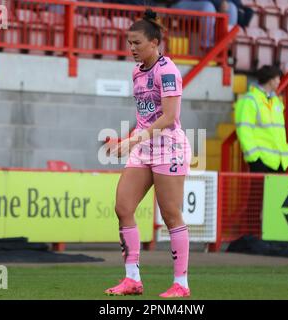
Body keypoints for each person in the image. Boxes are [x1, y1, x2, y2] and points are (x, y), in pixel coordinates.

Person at [103, 8, 192, 298]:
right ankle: (132, 279)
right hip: (144, 147)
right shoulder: (135, 72)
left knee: (170, 215)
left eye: (137, 43)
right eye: (129, 43)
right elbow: (145, 115)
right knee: (123, 207)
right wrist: (129, 141)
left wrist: (132, 140)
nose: (132, 48)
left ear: (154, 43)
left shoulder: (168, 71)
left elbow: (168, 117)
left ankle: (181, 283)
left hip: (169, 147)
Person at [235, 65, 288, 173]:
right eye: (277, 78)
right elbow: (244, 131)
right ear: (270, 80)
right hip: (261, 162)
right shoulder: (250, 100)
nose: (279, 81)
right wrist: (255, 159)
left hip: (280, 162)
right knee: (259, 191)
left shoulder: (276, 101)